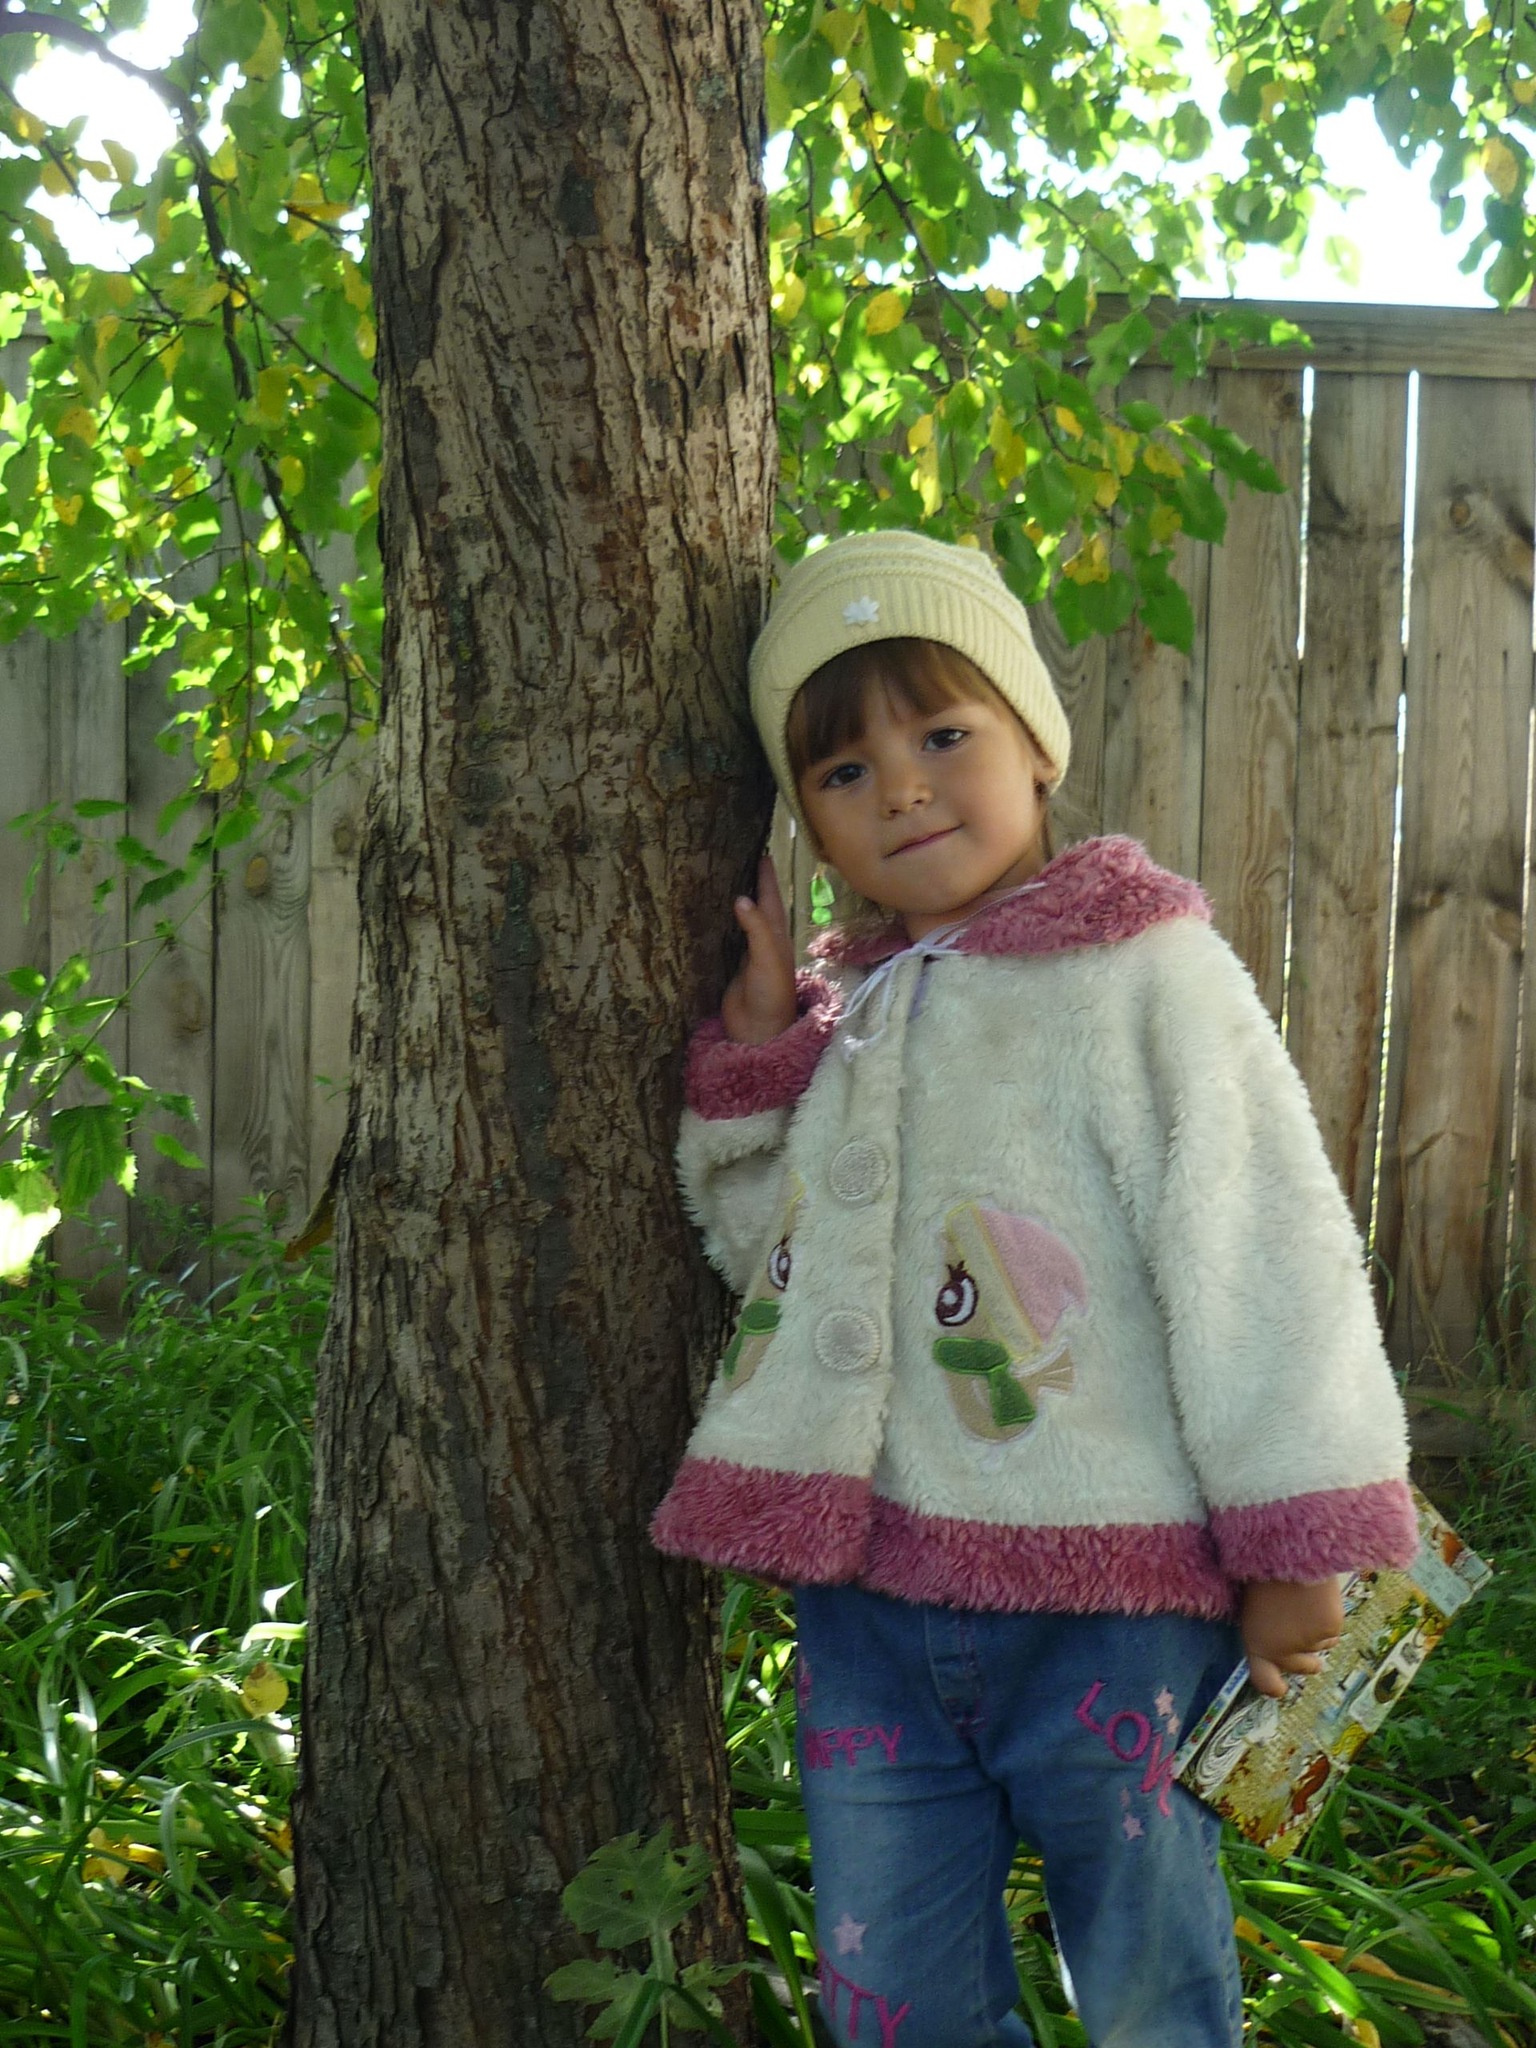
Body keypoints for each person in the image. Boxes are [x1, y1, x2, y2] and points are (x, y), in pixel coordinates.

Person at [651, 529, 1417, 2048]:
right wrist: (764, 1058)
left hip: (1117, 1605)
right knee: (893, 1994)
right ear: (806, 819)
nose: (904, 789)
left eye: (944, 735)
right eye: (845, 771)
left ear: (1036, 746)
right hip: (872, 1616)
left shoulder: (1148, 977)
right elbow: (773, 1274)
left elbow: (1262, 1251)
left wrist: (1300, 1538)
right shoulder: (862, 1014)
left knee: (1146, 1987)